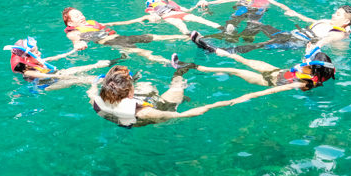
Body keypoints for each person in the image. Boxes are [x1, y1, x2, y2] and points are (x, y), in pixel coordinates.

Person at [88, 64, 246, 127]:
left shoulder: (98, 99)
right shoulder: (146, 112)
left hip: (128, 115)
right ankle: (182, 69)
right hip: (162, 108)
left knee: (147, 86)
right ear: (129, 93)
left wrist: (94, 83)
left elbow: (91, 92)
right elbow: (184, 115)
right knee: (178, 81)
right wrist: (231, 101)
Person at [189, 4, 351, 54]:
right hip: (290, 34)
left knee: (263, 44)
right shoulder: (325, 21)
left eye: (338, 14)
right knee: (258, 25)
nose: (334, 15)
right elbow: (309, 20)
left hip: (297, 41)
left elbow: (326, 41)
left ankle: (218, 50)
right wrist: (295, 14)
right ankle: (228, 36)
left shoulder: (339, 33)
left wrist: (315, 48)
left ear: (346, 22)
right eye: (335, 12)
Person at [173, 45, 336, 93]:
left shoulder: (303, 83)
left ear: (313, 70)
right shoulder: (310, 70)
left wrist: (250, 95)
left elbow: (272, 91)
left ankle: (189, 66)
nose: (303, 61)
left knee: (234, 70)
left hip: (268, 82)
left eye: (306, 62)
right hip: (275, 71)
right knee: (241, 58)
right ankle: (212, 49)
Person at [62, 7, 186, 64]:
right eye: (77, 16)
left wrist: (141, 18)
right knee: (143, 52)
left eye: (81, 14)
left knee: (154, 36)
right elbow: (74, 38)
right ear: (71, 23)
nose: (82, 17)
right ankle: (170, 63)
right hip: (114, 43)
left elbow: (115, 23)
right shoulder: (74, 32)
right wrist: (78, 43)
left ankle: (188, 37)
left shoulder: (91, 23)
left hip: (122, 38)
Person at [5, 36, 114, 90]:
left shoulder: (32, 60)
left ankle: (102, 64)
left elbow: (51, 58)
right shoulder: (26, 70)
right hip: (44, 84)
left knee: (77, 69)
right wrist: (56, 75)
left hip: (52, 74)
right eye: (36, 52)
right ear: (27, 58)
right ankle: (114, 84)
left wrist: (70, 52)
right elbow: (34, 74)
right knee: (80, 79)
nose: (39, 52)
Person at [195, 0, 289, 41]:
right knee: (247, 19)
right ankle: (239, 32)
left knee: (245, 20)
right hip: (251, 8)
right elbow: (224, 1)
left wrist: (289, 11)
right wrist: (208, 2)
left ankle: (236, 31)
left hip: (249, 8)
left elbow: (225, 1)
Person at [115, 0, 221, 35]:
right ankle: (201, 37)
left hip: (176, 14)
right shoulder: (153, 10)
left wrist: (198, 4)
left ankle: (222, 28)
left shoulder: (169, 4)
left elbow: (188, 10)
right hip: (171, 16)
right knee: (183, 27)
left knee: (199, 21)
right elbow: (152, 16)